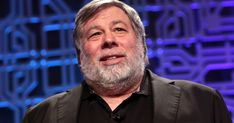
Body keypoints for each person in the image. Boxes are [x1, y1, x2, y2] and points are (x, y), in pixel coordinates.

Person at [23, 0, 232, 123]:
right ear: (79, 54)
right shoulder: (41, 116)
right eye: (95, 34)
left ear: (143, 44)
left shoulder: (203, 102)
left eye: (119, 29)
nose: (109, 40)